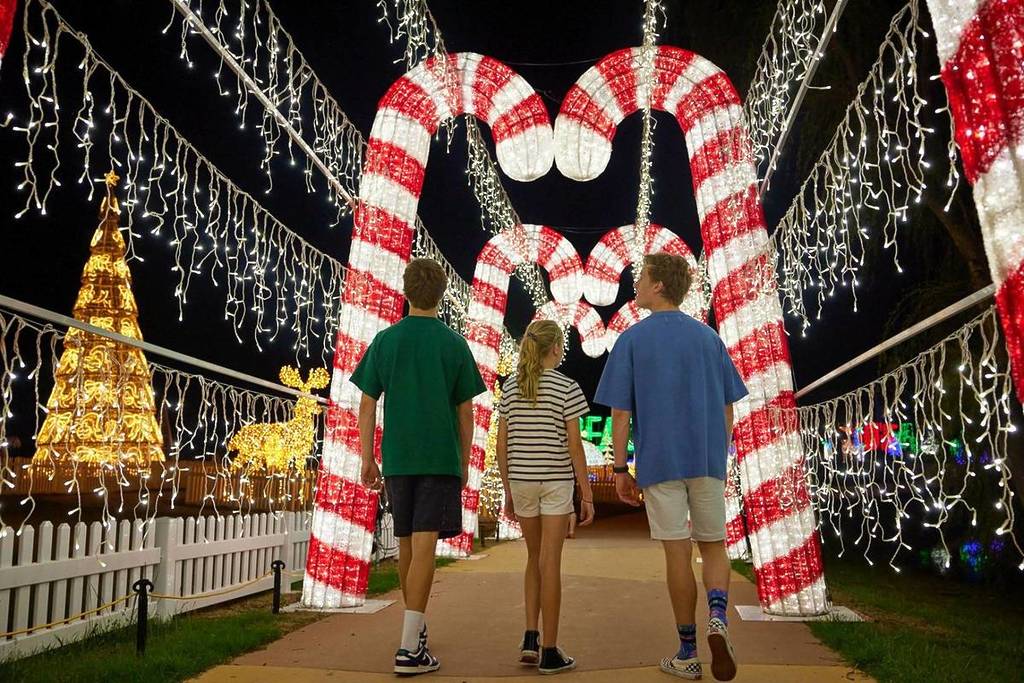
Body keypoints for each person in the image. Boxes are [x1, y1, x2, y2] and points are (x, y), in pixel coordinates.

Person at [595, 253, 748, 682]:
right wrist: (721, 453)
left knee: (677, 552)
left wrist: (621, 468)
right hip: (706, 458)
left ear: (660, 284)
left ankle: (687, 651)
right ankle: (718, 616)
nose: (636, 286)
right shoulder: (708, 339)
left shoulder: (631, 340)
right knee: (714, 544)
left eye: (641, 279)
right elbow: (727, 408)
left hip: (660, 460)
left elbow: (621, 413)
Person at [353, 258, 486, 676]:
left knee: (408, 544)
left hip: (397, 457)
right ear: (442, 295)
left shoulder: (385, 341)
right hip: (438, 456)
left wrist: (366, 456)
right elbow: (467, 411)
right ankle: (409, 648)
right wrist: (464, 460)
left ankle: (416, 630)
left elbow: (367, 403)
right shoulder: (454, 344)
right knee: (425, 544)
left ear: (406, 291)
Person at [497, 319, 595, 674]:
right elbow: (574, 446)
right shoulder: (567, 388)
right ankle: (550, 651)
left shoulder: (511, 387)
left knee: (533, 557)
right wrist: (586, 494)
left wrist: (508, 489)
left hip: (522, 481)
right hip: (554, 481)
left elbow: (501, 445)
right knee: (550, 562)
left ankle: (529, 636)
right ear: (556, 348)